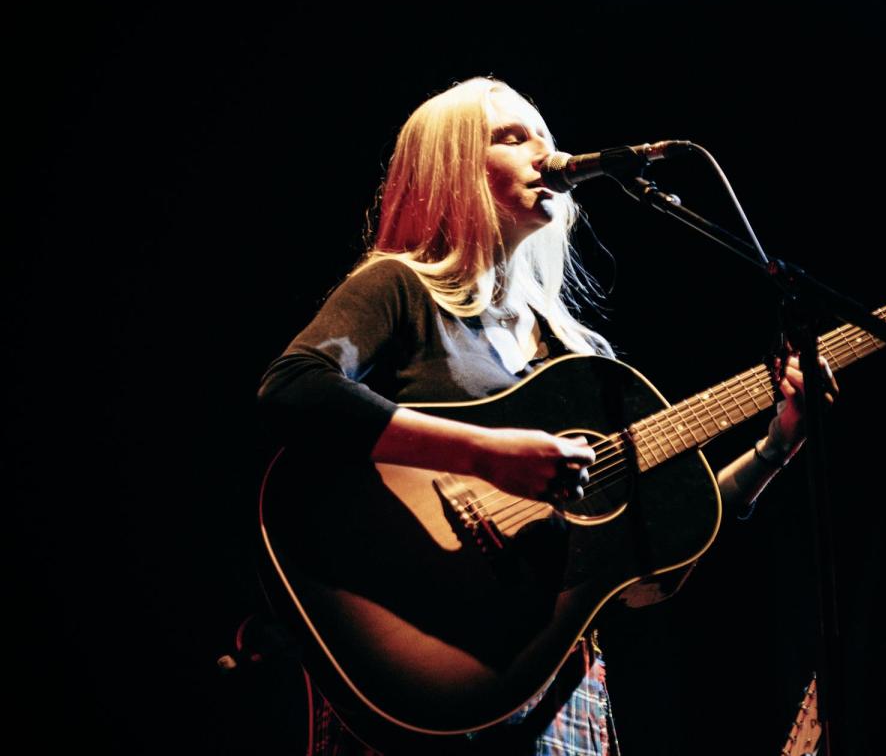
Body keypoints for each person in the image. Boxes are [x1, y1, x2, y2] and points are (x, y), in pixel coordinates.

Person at [257, 76, 837, 755]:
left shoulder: (581, 353)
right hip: (425, 649)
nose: (545, 151)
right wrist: (486, 453)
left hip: (556, 686)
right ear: (452, 168)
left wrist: (776, 444)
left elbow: (656, 555)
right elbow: (293, 387)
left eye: (545, 136)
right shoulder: (400, 287)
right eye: (512, 136)